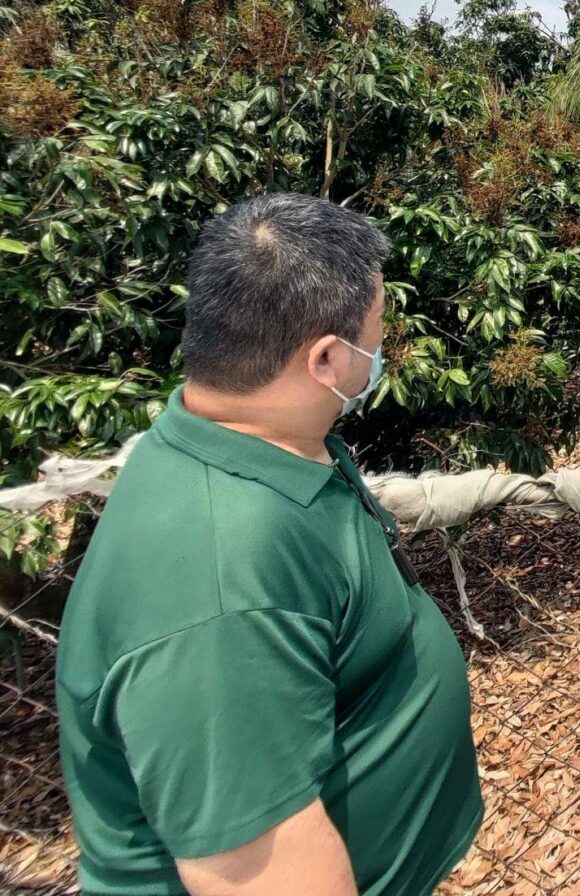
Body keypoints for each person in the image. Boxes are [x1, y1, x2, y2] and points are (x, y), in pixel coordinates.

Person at [56, 192, 483, 896]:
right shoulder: (221, 588)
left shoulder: (251, 439)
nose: (380, 351)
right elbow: (251, 870)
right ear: (326, 361)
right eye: (375, 335)